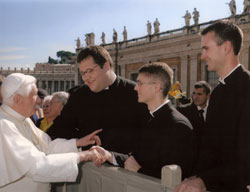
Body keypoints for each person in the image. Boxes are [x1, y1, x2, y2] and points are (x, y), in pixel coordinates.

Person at [175, 21, 250, 192]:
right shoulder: (217, 94)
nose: (202, 56)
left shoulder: (247, 88)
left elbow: (244, 156)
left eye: (206, 48)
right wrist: (199, 176)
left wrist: (205, 180)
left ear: (226, 47)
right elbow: (214, 148)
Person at [0, 73, 104, 191]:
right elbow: (37, 166)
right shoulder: (4, 125)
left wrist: (77, 143)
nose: (39, 101)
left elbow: (47, 147)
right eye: (34, 95)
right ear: (17, 99)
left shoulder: (24, 120)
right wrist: (83, 156)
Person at [92, 62, 195, 179]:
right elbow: (136, 160)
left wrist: (140, 171)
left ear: (156, 87)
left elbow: (178, 178)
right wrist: (109, 155)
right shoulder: (149, 120)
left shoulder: (178, 126)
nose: (135, 88)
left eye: (140, 83)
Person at [48, 46, 149, 154]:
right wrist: (78, 141)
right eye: (83, 73)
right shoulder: (78, 95)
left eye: (89, 71)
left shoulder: (137, 94)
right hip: (84, 165)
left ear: (106, 66)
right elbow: (57, 132)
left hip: (122, 167)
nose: (85, 78)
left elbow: (148, 139)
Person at [177, 81, 211, 160]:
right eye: (194, 93)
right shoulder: (183, 111)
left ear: (208, 96)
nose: (195, 97)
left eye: (199, 94)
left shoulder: (215, 111)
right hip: (190, 159)